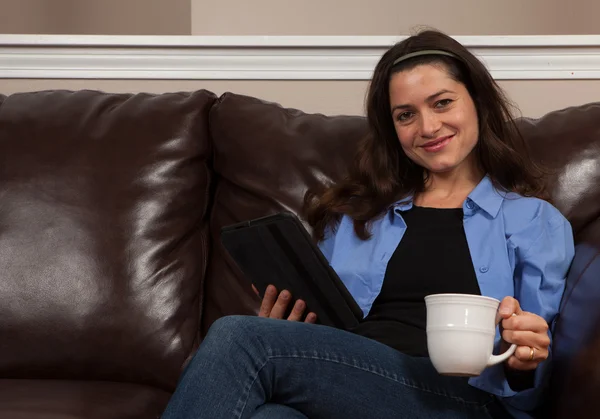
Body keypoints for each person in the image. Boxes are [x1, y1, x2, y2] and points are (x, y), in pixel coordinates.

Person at [161, 29, 574, 419]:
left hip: (464, 400)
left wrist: (525, 359)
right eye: (406, 115)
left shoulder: (534, 222)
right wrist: (289, 331)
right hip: (355, 387)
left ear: (477, 103)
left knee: (240, 337)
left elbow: (533, 382)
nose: (427, 127)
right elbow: (327, 339)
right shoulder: (358, 217)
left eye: (442, 102)